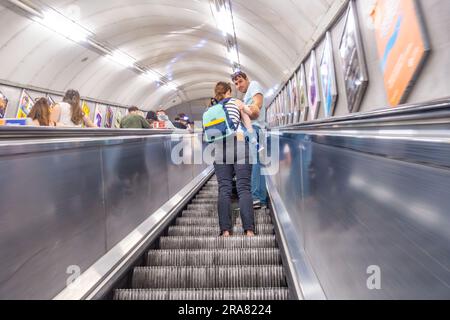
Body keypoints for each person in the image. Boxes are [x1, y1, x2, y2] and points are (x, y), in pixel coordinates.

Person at [211, 82, 255, 237]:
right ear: (229, 91)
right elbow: (250, 118)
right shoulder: (236, 102)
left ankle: (225, 231)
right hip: (239, 144)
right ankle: (249, 230)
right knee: (244, 189)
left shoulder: (212, 109)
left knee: (224, 190)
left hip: (220, 149)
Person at [232, 71, 268, 209]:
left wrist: (242, 107)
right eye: (236, 83)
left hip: (254, 130)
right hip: (252, 131)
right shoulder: (247, 93)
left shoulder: (254, 85)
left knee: (254, 163)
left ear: (246, 79)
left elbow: (257, 105)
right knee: (257, 162)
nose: (238, 85)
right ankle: (260, 199)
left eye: (240, 81)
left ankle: (256, 198)